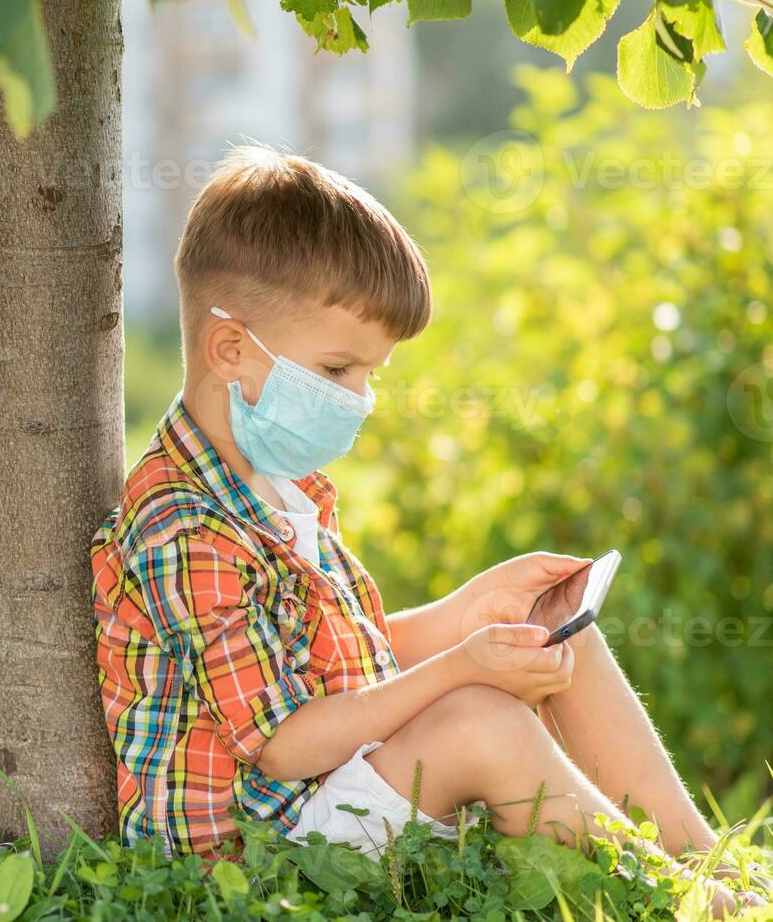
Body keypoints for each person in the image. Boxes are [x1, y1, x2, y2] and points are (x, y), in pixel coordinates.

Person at [90, 146, 756, 915]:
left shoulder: (272, 478)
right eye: (338, 370)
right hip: (254, 853)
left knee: (552, 631)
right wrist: (461, 670)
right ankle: (678, 899)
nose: (360, 398)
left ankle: (713, 869)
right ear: (231, 350)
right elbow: (286, 743)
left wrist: (468, 617)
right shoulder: (183, 528)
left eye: (371, 373)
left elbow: (336, 661)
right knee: (481, 721)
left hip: (321, 793)